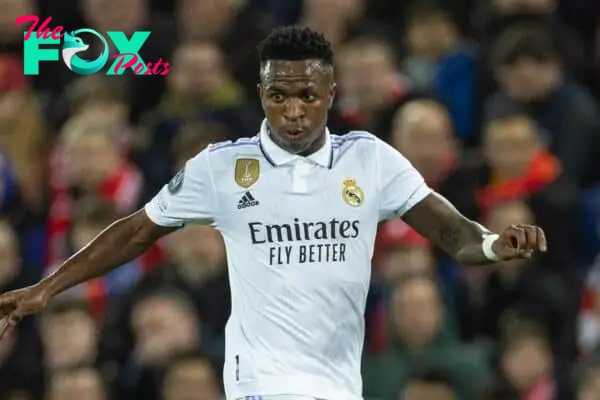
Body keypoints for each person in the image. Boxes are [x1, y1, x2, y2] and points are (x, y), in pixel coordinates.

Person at [0, 26, 547, 400]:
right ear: (260, 91)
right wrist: (49, 287)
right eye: (278, 94)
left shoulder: (370, 160)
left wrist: (499, 244)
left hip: (337, 386)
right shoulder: (221, 167)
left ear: (330, 92)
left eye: (307, 94)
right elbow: (137, 231)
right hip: (259, 383)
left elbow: (453, 233)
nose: (292, 110)